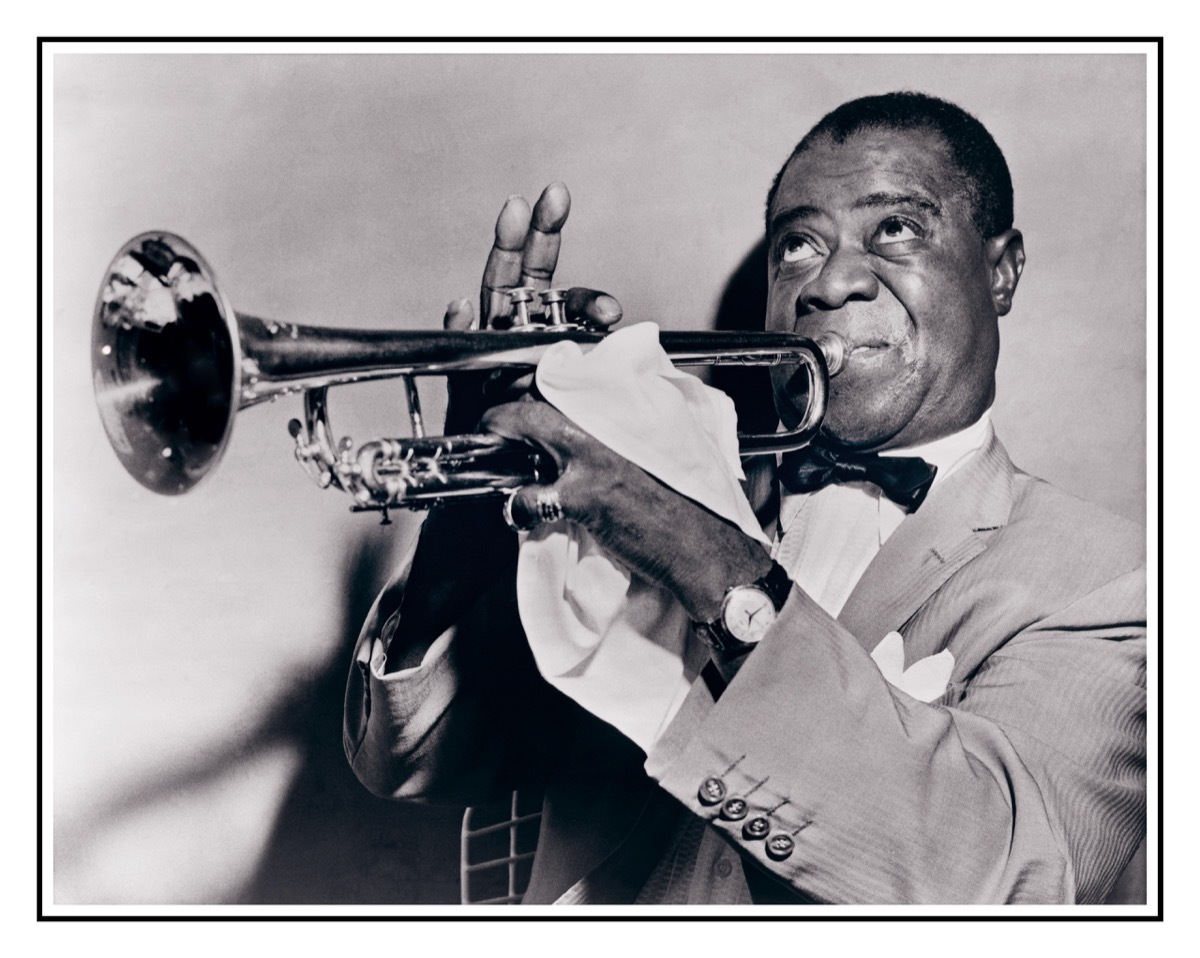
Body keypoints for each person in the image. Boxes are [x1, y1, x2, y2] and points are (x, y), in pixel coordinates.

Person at [342, 92, 1146, 905]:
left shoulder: (1111, 580)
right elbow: (415, 761)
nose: (830, 281)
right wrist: (469, 524)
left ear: (1001, 270)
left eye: (896, 229)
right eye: (798, 245)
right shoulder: (664, 489)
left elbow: (1013, 882)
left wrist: (706, 560)